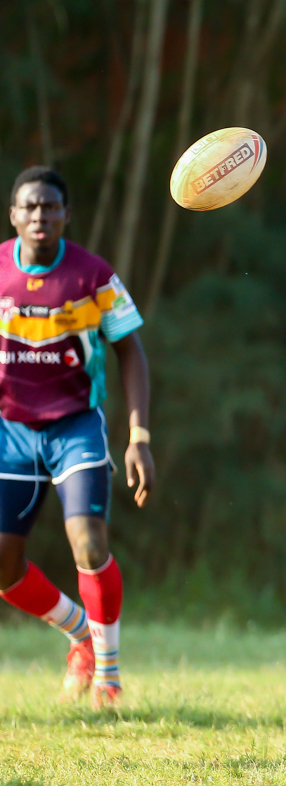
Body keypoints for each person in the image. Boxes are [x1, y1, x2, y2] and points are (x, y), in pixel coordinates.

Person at [0, 167, 154, 708]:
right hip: (11, 430)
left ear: (67, 215)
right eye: (30, 206)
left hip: (75, 426)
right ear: (14, 215)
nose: (40, 215)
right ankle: (80, 635)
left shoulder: (94, 276)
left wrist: (138, 436)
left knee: (88, 542)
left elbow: (131, 351)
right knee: (3, 566)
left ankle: (108, 678)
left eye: (50, 206)